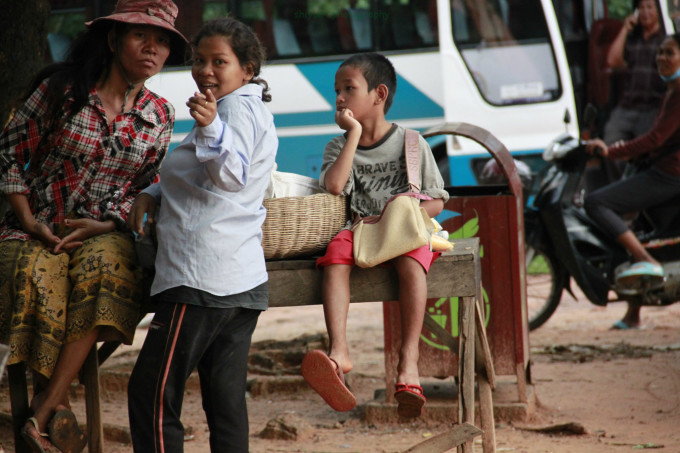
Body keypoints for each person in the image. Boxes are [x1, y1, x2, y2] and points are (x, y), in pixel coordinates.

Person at [0, 0, 186, 451]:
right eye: (141, 36)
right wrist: (27, 217)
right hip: (33, 227)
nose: (152, 48)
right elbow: (7, 153)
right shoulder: (61, 90)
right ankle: (54, 408)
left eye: (162, 41)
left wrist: (106, 226)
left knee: (109, 274)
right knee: (36, 277)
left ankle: (45, 406)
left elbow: (145, 189)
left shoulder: (161, 115)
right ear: (112, 38)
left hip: (104, 233)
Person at [126, 17, 277, 453]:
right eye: (199, 60)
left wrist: (211, 126)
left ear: (247, 70)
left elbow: (231, 176)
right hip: (238, 280)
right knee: (225, 404)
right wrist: (153, 192)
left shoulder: (233, 110)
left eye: (219, 62)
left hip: (201, 281)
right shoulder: (234, 106)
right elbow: (200, 175)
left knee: (152, 394)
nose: (205, 70)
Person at [300, 52, 449, 418]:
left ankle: (409, 363)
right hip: (362, 231)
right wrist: (352, 134)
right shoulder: (338, 146)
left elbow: (437, 201)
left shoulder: (411, 143)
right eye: (337, 90)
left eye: (348, 89)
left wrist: (401, 218)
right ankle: (339, 353)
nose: (339, 98)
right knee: (335, 256)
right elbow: (334, 187)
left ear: (378, 94)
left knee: (413, 264)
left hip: (403, 234)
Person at [585, 33, 680, 330]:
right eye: (660, 53)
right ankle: (633, 314)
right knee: (635, 229)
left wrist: (612, 151)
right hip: (661, 168)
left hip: (669, 174)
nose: (662, 58)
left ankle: (645, 260)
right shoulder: (670, 90)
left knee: (596, 201)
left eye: (670, 53)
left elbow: (655, 138)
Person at [586, 0, 665, 191]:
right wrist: (625, 29)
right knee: (609, 145)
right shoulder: (634, 38)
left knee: (645, 152)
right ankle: (621, 190)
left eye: (649, 8)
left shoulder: (665, 40)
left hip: (652, 108)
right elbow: (612, 61)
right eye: (641, 8)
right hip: (627, 107)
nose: (645, 13)